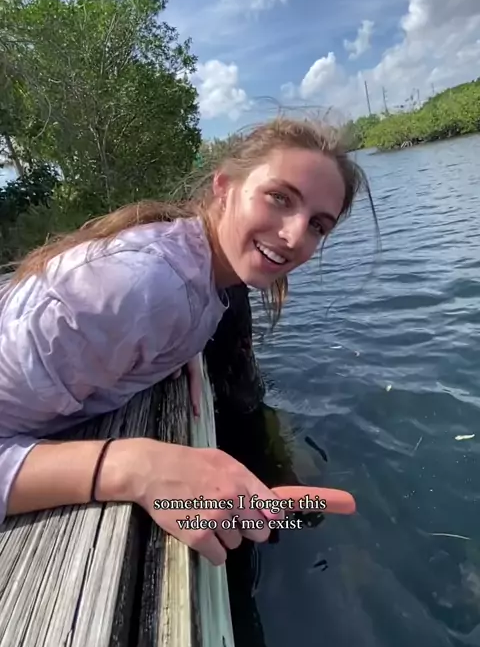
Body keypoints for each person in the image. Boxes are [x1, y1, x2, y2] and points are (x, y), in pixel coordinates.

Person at [0, 117, 376, 566]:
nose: (295, 236)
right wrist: (133, 467)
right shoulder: (141, 286)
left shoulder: (196, 271)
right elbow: (135, 300)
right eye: (279, 198)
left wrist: (179, 349)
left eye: (317, 225)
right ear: (224, 186)